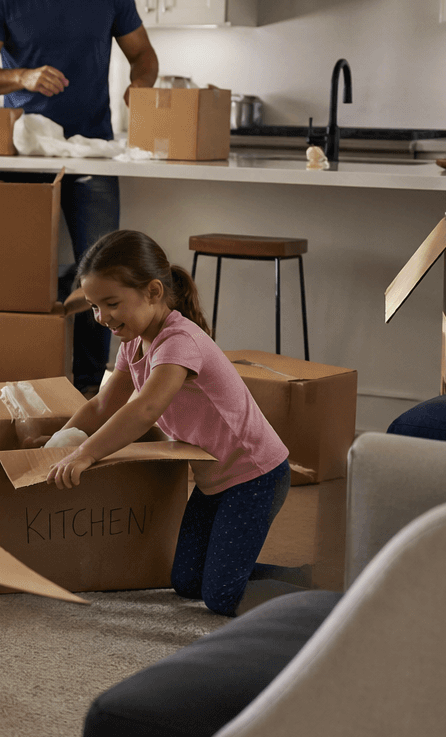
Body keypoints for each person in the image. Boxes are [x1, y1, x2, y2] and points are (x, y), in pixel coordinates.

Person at [39, 230, 307, 617]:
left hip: (254, 475)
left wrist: (85, 454)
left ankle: (320, 589)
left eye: (111, 304)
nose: (101, 317)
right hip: (215, 480)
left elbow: (145, 409)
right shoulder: (133, 342)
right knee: (186, 582)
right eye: (95, 306)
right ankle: (272, 573)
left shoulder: (179, 341)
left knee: (221, 598)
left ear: (152, 292)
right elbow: (101, 405)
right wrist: (62, 441)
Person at [0, 0, 159, 394]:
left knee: (106, 273)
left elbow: (143, 55)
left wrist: (141, 88)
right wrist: (22, 76)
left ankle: (89, 388)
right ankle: (19, 380)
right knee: (17, 268)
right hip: (24, 155)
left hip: (93, 152)